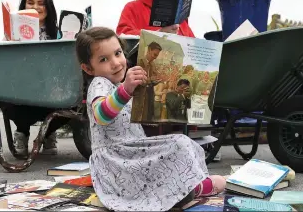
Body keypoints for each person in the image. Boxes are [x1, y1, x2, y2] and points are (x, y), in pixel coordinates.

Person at [76, 26, 226, 211]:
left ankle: (187, 187)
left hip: (131, 152)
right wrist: (126, 90)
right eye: (104, 59)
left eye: (118, 53)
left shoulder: (118, 85)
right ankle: (194, 188)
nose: (115, 63)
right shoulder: (99, 84)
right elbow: (101, 115)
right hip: (116, 159)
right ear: (88, 68)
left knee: (182, 143)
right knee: (179, 143)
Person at [0, 0, 63, 157]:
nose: (35, 7)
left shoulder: (58, 34)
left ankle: (48, 133)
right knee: (7, 99)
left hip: (50, 91)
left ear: (48, 7)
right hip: (22, 92)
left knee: (76, 104)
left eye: (41, 3)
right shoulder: (11, 33)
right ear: (23, 6)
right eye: (30, 3)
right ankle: (22, 132)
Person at [130, 41, 162, 122]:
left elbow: (153, 78)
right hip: (138, 97)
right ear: (149, 50)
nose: (155, 57)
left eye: (157, 55)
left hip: (148, 98)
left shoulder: (153, 65)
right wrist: (150, 79)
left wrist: (157, 80)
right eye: (154, 54)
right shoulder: (139, 62)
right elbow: (137, 81)